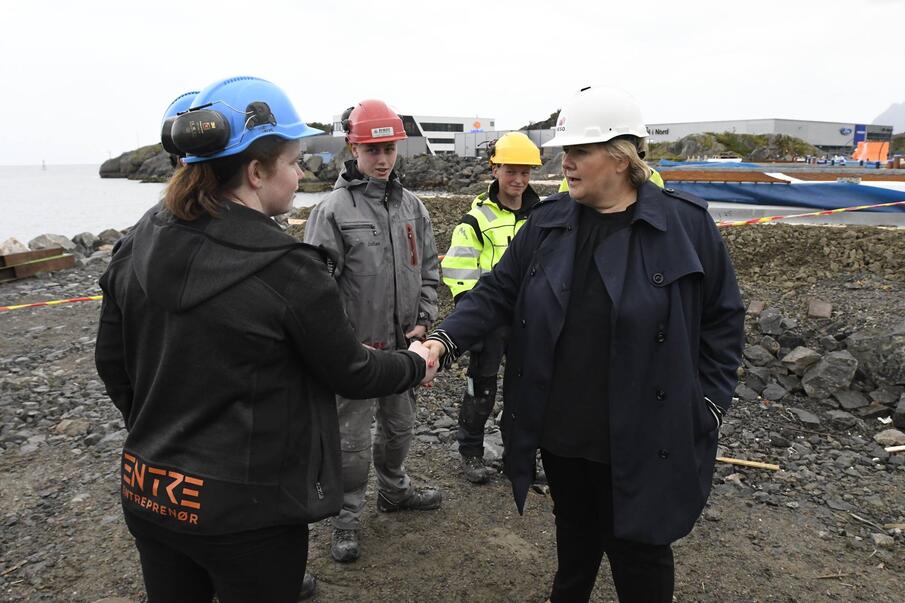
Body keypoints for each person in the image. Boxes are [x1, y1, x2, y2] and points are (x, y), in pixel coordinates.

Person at [95, 76, 435, 603]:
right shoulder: (288, 271)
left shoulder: (136, 242)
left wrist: (159, 432)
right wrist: (416, 362)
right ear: (256, 172)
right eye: (295, 161)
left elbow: (113, 367)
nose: (301, 173)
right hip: (249, 514)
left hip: (151, 492)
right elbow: (351, 371)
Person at [423, 85, 744, 602]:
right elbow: (496, 293)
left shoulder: (685, 225)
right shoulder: (547, 224)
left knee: (640, 555)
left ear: (620, 158)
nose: (564, 162)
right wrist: (442, 341)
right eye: (564, 151)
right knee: (574, 543)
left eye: (579, 151)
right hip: (565, 433)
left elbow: (723, 319)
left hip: (644, 433)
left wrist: (707, 406)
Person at [303, 99, 441, 563]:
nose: (381, 159)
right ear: (353, 147)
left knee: (400, 430)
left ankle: (395, 492)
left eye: (388, 149)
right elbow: (314, 290)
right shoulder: (331, 211)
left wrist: (423, 323)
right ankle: (345, 519)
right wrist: (342, 344)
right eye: (371, 149)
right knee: (351, 443)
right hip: (356, 355)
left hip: (404, 350)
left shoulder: (414, 208)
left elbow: (430, 272)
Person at [440, 132, 542, 484]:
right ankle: (471, 452)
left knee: (525, 390)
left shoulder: (541, 218)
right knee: (480, 389)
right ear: (495, 169)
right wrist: (471, 318)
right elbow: (458, 268)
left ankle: (520, 458)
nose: (518, 180)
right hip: (490, 320)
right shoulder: (476, 220)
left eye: (525, 173)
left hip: (529, 320)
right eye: (511, 171)